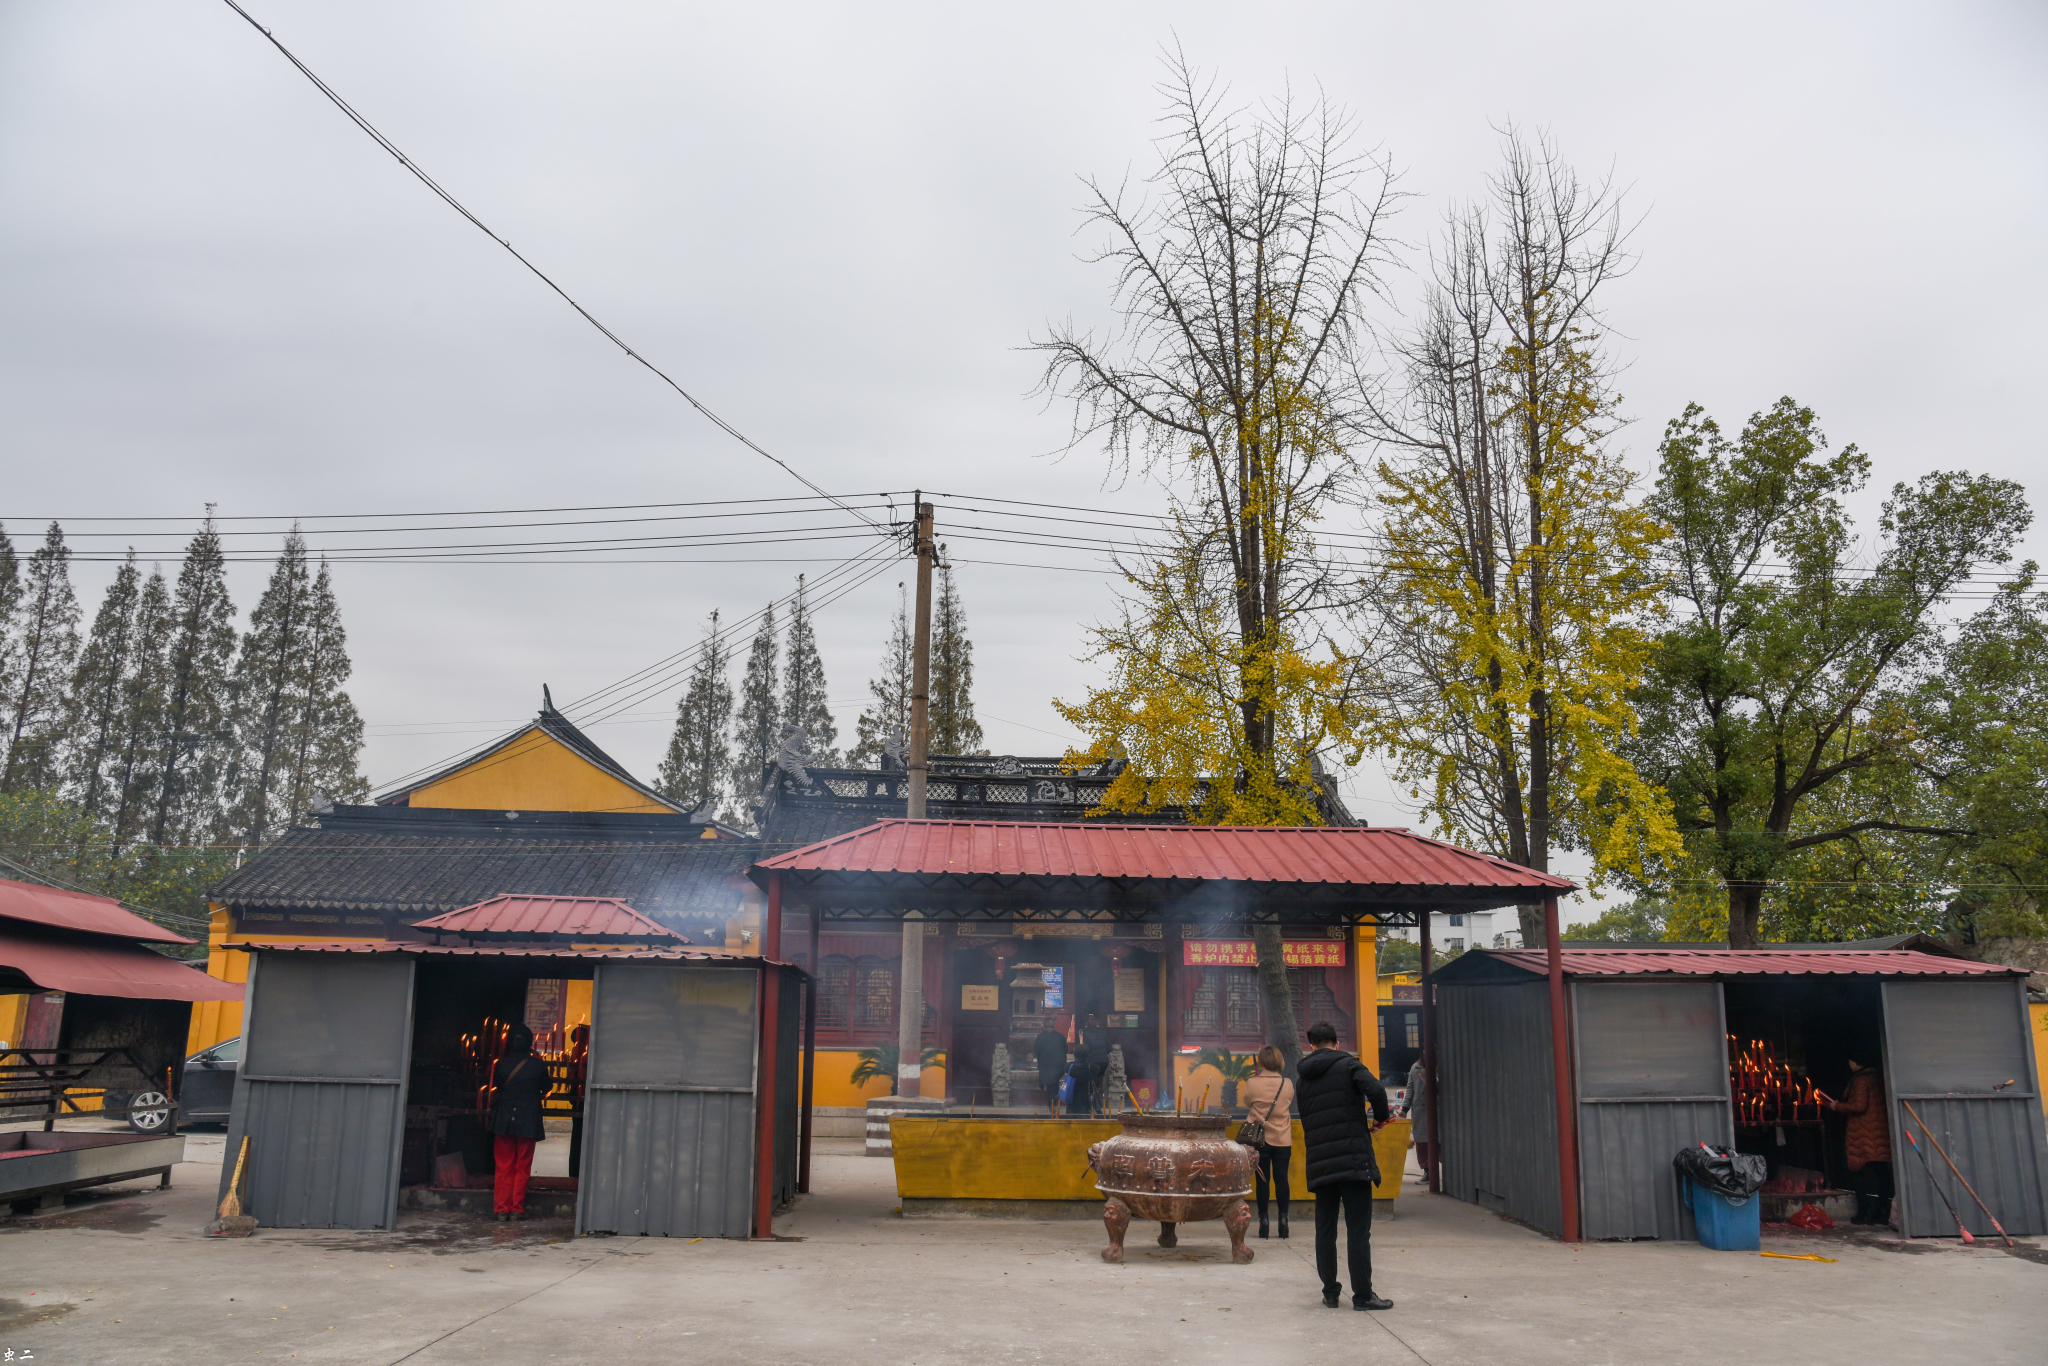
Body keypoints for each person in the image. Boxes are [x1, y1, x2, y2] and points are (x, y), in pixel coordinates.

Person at [1296, 1019, 1392, 1311]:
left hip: (1321, 1164)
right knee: (1358, 1231)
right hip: (1353, 1161)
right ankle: (1362, 1296)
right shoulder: (1350, 1065)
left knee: (1325, 1230)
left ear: (1311, 1046)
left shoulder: (1303, 1079)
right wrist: (1379, 1119)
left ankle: (1330, 1293)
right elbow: (1377, 1091)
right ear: (1337, 1043)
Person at [488, 1023, 549, 1221]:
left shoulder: (501, 1064)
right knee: (522, 1166)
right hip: (528, 1123)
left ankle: (501, 1209)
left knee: (503, 1165)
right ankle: (516, 1209)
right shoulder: (539, 1065)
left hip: (503, 1121)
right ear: (530, 1043)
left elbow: (496, 1086)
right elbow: (547, 1087)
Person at [1829, 1058, 1893, 1226]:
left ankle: (1864, 1212)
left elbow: (1859, 1106)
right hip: (1879, 1131)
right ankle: (1882, 1211)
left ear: (1856, 1062)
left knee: (1856, 1170)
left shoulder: (1861, 1080)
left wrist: (1837, 1106)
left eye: (1850, 1061)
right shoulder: (1878, 1076)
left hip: (1863, 1132)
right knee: (1881, 1171)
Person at [1241, 1045, 1295, 1239]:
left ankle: (1263, 1221)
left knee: (1262, 1181)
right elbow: (1287, 1102)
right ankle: (1283, 1221)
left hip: (1259, 1138)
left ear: (1261, 1062)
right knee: (1282, 1180)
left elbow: (1247, 1102)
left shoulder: (1252, 1083)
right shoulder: (1287, 1083)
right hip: (1283, 1138)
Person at [565, 1022, 590, 1181]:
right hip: (583, 1105)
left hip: (578, 1105)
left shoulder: (577, 1055)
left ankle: (574, 1176)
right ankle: (578, 1177)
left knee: (577, 1141)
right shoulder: (584, 1055)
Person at [1032, 1023, 1068, 1109]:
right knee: (1054, 1083)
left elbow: (1036, 1050)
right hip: (1058, 1065)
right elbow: (1066, 1049)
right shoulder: (1060, 1036)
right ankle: (1053, 1102)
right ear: (1054, 1026)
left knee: (1050, 1085)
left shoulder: (1041, 1037)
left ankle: (1052, 1104)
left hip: (1046, 1065)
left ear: (1044, 1026)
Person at [1406, 1055, 1430, 1176]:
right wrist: (1404, 1108)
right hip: (1420, 1110)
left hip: (1437, 1109)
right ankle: (1427, 1172)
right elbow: (1410, 1089)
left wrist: (1429, 1079)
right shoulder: (1415, 1068)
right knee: (1422, 1143)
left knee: (1438, 1143)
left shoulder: (1440, 1066)